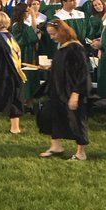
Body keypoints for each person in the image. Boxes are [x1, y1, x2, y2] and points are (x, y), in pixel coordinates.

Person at [38, 19, 92, 160]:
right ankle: (56, 146)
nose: (52, 37)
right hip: (57, 90)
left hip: (71, 90)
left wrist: (76, 94)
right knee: (51, 115)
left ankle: (81, 153)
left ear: (62, 31)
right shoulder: (62, 46)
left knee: (76, 120)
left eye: (54, 34)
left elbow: (83, 72)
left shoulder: (75, 48)